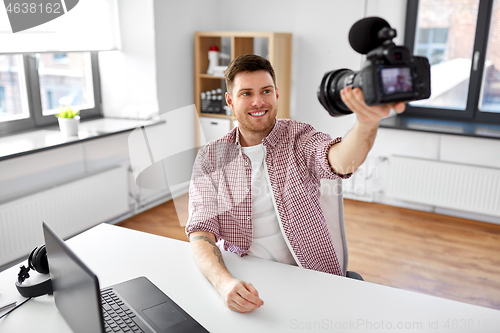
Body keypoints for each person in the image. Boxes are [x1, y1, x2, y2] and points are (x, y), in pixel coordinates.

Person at [186, 54, 405, 314]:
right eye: (246, 93)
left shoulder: (299, 137)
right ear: (230, 101)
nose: (258, 101)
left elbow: (339, 160)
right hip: (247, 276)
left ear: (277, 94)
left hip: (310, 275)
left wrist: (366, 123)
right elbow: (200, 231)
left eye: (265, 91)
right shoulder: (211, 156)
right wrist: (224, 284)